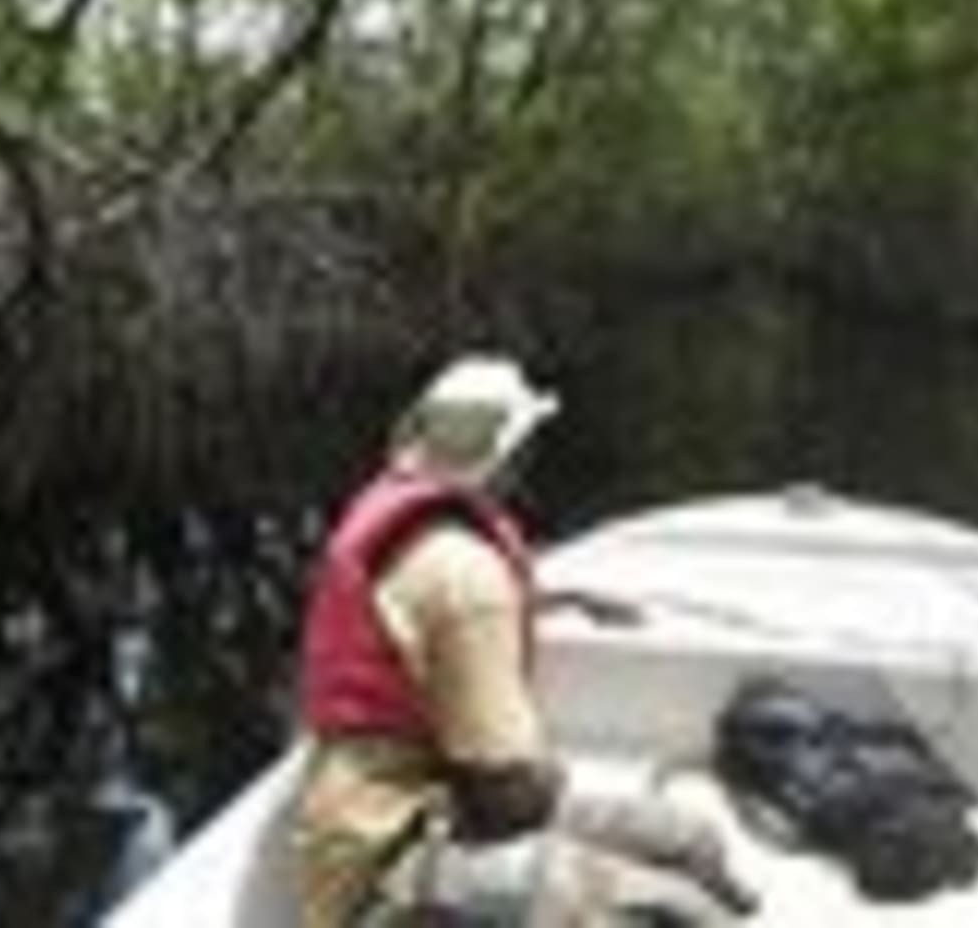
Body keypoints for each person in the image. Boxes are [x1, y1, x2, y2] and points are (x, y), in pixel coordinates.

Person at [293, 354, 752, 926]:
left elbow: (424, 620)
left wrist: (552, 603)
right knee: (664, 910)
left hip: (420, 812)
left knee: (688, 839)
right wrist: (574, 830)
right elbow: (510, 790)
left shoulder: (421, 536)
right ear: (511, 456)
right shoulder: (465, 571)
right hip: (377, 875)